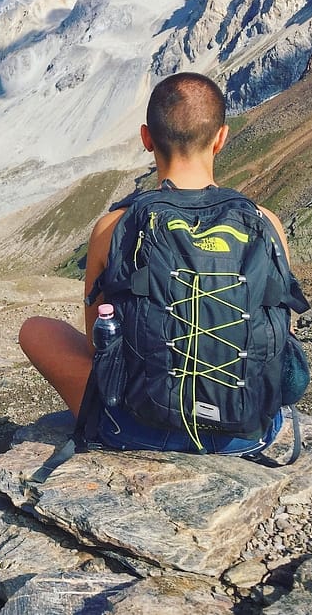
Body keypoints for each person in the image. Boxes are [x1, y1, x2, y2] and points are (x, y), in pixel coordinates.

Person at [18, 72, 293, 454]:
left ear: (147, 138)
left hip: (136, 428)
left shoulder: (114, 226)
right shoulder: (266, 223)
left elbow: (101, 344)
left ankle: (135, 420)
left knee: (35, 330)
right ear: (221, 138)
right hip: (248, 432)